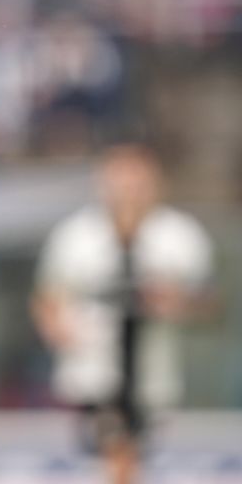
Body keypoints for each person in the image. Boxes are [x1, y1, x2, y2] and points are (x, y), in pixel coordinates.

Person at [31, 143, 214, 484]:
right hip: (91, 367)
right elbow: (48, 297)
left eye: (137, 180)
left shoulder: (179, 236)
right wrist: (58, 330)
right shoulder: (75, 236)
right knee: (114, 448)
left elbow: (206, 300)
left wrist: (174, 303)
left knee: (131, 455)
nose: (128, 189)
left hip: (153, 372)